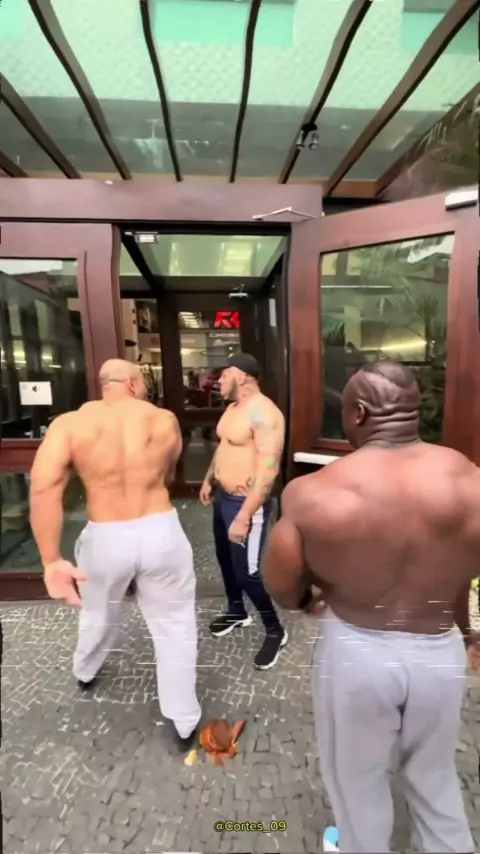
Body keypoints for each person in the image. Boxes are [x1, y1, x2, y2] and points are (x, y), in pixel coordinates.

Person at [263, 360, 479, 854]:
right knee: (434, 772)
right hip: (439, 651)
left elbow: (281, 583)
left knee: (356, 777)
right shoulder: (469, 480)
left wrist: (306, 601)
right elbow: (460, 568)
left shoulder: (313, 493)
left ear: (358, 413)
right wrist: (468, 632)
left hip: (357, 654)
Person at [29, 359, 201, 751]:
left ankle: (85, 669)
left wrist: (51, 560)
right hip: (160, 529)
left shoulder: (70, 424)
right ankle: (184, 719)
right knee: (175, 624)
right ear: (134, 384)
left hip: (106, 534)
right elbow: (168, 475)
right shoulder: (164, 420)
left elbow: (44, 488)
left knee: (98, 611)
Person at [200, 353, 287, 670]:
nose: (218, 381)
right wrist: (209, 478)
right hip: (223, 498)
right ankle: (237, 612)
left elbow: (268, 469)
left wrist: (244, 515)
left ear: (241, 376)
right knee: (225, 559)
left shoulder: (265, 413)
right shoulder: (232, 409)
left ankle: (275, 630)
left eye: (223, 375)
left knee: (247, 574)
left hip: (245, 504)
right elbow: (224, 446)